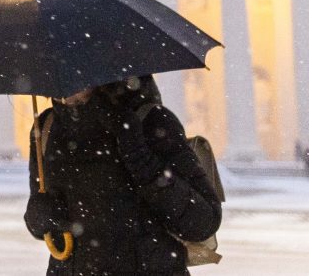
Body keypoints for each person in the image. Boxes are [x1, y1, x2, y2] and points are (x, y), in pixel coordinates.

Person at [24, 75, 222, 275]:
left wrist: (144, 163)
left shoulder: (152, 121)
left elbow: (203, 223)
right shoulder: (46, 128)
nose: (66, 88)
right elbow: (46, 229)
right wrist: (39, 218)